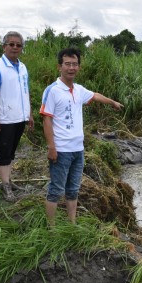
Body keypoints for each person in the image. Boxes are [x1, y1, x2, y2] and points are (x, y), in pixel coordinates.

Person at [40, 47, 123, 225]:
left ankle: (72, 224)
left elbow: (95, 95)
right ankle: (51, 228)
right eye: (67, 64)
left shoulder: (78, 89)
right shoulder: (52, 90)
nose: (71, 68)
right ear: (59, 67)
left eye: (75, 64)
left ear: (79, 67)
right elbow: (46, 120)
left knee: (73, 189)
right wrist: (51, 147)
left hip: (78, 149)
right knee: (56, 189)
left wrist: (113, 103)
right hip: (61, 149)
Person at [0, 31, 34, 202]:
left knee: (11, 151)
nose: (15, 47)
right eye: (11, 44)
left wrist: (30, 113)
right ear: (4, 46)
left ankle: (8, 180)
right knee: (4, 152)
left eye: (18, 45)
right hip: (4, 118)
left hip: (19, 117)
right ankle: (5, 186)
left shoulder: (22, 67)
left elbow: (26, 91)